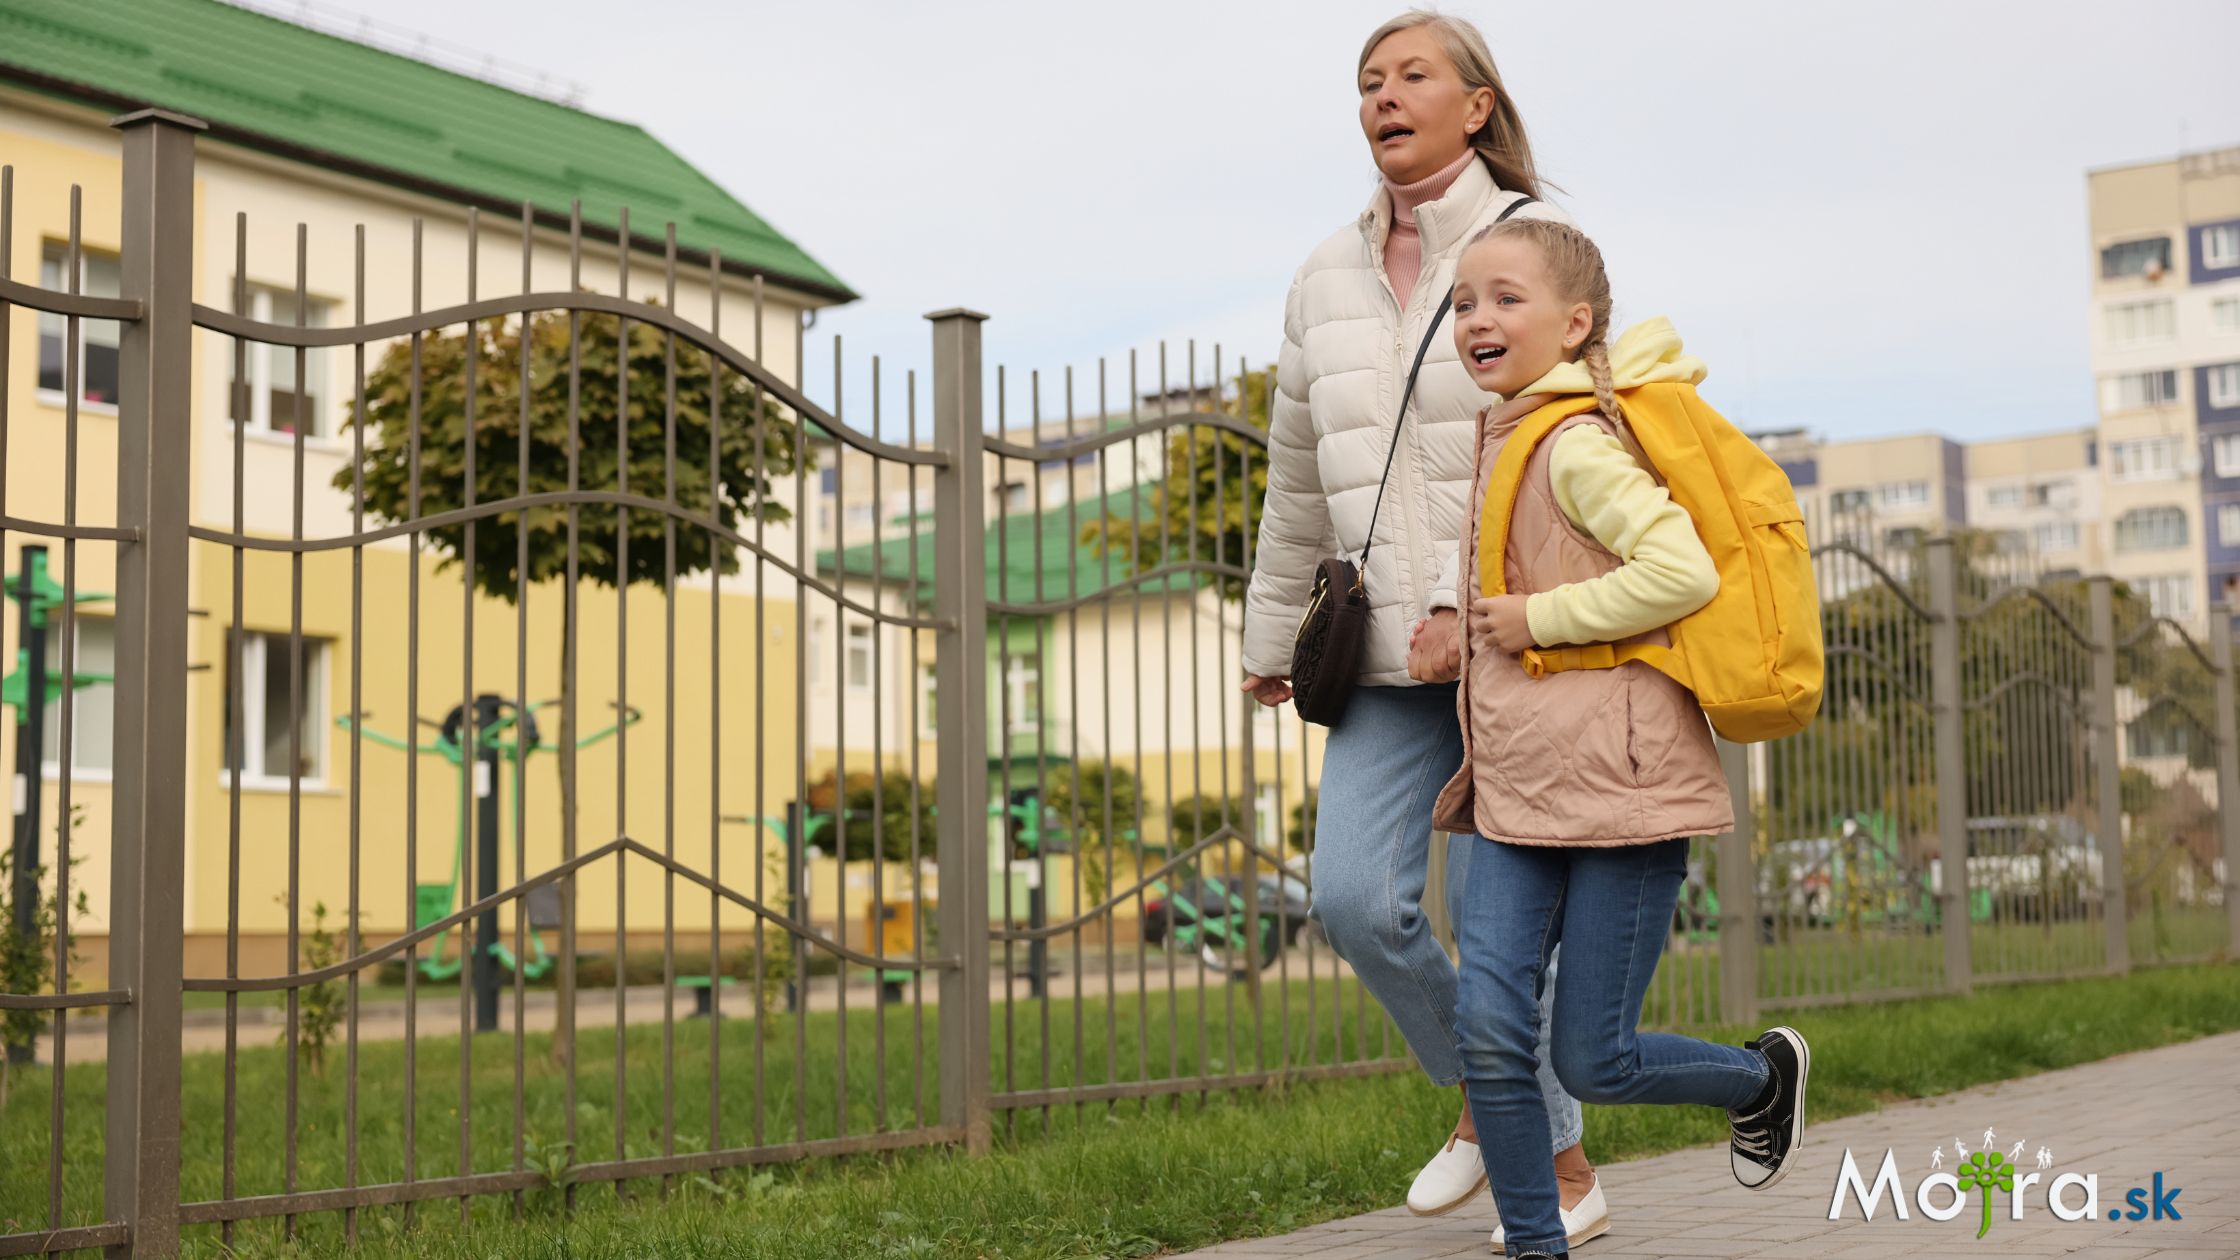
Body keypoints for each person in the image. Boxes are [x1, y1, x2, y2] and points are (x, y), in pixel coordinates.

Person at [1238, 9, 1603, 1238]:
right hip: (1385, 658)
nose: (1382, 97)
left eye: (1410, 76)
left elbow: (1573, 432)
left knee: (1507, 939)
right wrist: (1270, 636)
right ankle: (1513, 1118)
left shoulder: (1533, 248)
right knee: (1352, 900)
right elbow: (1298, 476)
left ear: (1475, 106)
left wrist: (1467, 598)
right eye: (1367, 81)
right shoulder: (1321, 276)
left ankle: (1546, 1176)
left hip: (1516, 644)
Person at [1431, 216, 1811, 1259]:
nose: (1477, 319)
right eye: (1463, 303)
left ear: (1574, 324)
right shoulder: (1505, 436)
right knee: (1489, 1030)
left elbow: (1680, 571)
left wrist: (1536, 620)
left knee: (1592, 1060)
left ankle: (1759, 1079)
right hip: (1515, 790)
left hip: (1623, 794)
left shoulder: (1574, 443)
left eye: (1505, 298)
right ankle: (1535, 1243)